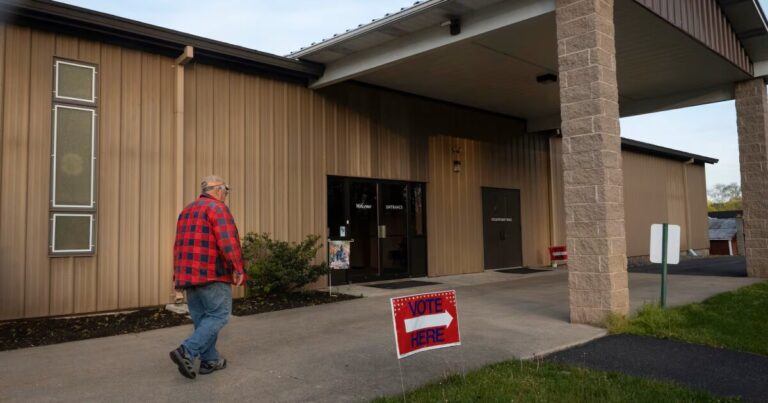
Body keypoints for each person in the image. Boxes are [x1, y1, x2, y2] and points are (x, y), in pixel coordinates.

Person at [169, 175, 247, 379]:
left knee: (203, 320)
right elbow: (228, 242)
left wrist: (176, 277)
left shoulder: (186, 210)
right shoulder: (217, 208)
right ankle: (186, 351)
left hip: (188, 277)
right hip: (212, 274)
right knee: (219, 315)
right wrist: (238, 268)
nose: (226, 195)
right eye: (226, 191)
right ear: (219, 190)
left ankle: (210, 360)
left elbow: (179, 246)